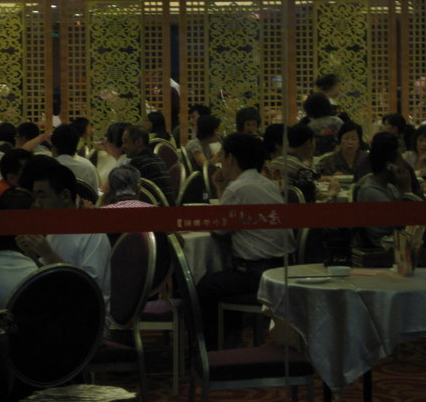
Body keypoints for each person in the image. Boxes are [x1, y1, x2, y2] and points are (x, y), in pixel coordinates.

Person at [196, 133, 295, 349]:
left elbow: (219, 230)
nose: (220, 161)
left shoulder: (238, 188)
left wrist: (221, 188)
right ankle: (231, 340)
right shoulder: (266, 184)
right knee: (224, 279)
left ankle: (210, 350)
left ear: (231, 158)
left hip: (256, 273)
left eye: (222, 155)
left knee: (204, 287)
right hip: (282, 268)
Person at [15, 165, 111, 308]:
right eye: (35, 196)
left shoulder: (93, 233)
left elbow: (89, 290)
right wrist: (31, 254)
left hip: (86, 312)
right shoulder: (55, 227)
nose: (37, 204)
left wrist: (48, 254)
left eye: (42, 196)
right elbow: (49, 275)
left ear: (65, 196)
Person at [356, 132, 416, 247]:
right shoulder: (371, 192)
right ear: (390, 166)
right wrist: (407, 192)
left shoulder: (390, 187)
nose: (403, 165)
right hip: (385, 249)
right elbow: (406, 224)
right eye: (400, 160)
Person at [270, 123, 340, 203]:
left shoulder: (274, 162)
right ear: (308, 143)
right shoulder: (302, 170)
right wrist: (332, 192)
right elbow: (321, 200)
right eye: (314, 142)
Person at [122, 124, 175, 205]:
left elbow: (127, 195)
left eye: (125, 142)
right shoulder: (157, 158)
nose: (123, 146)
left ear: (139, 142)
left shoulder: (137, 163)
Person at [50, 124, 100, 193]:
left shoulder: (48, 168)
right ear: (76, 144)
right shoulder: (88, 167)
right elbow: (94, 194)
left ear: (54, 147)